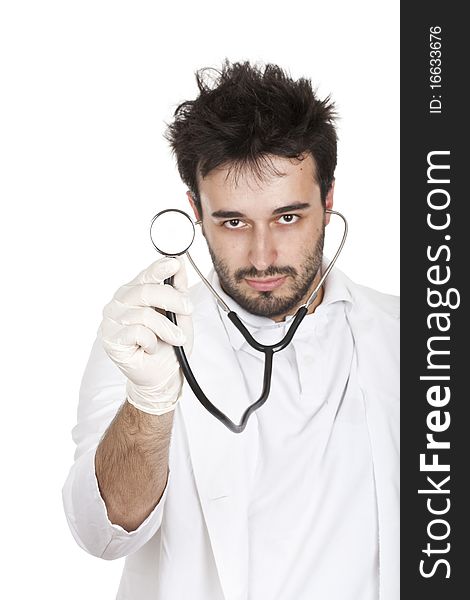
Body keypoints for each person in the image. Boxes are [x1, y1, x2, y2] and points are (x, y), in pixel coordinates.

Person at [63, 60, 399, 600]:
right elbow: (104, 534)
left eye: (288, 217)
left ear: (328, 200)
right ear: (195, 210)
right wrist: (150, 404)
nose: (262, 256)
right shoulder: (146, 338)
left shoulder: (416, 341)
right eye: (233, 221)